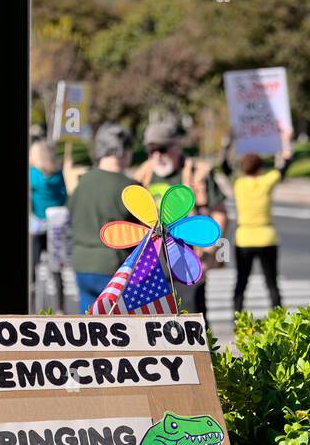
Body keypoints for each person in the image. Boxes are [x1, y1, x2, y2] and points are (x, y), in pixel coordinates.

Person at [133, 121, 228, 317]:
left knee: (192, 325)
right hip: (153, 267)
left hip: (189, 265)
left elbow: (220, 212)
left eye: (162, 148)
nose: (156, 156)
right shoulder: (144, 174)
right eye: (151, 150)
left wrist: (211, 252)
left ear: (177, 146)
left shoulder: (197, 174)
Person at [67, 123, 139, 313]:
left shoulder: (82, 183)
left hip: (82, 263)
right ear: (124, 151)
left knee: (91, 327)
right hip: (115, 267)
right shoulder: (130, 187)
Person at [224, 127, 292, 314]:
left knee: (241, 282)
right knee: (272, 283)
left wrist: (229, 142)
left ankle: (238, 318)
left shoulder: (238, 183)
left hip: (244, 238)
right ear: (260, 168)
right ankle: (277, 318)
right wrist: (285, 140)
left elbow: (224, 166)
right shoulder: (267, 181)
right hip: (267, 236)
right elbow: (285, 164)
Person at [29, 139, 67, 276]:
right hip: (56, 222)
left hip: (37, 222)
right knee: (56, 264)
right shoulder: (58, 173)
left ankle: (30, 288)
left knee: (32, 261)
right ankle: (59, 294)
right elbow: (64, 195)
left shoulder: (33, 174)